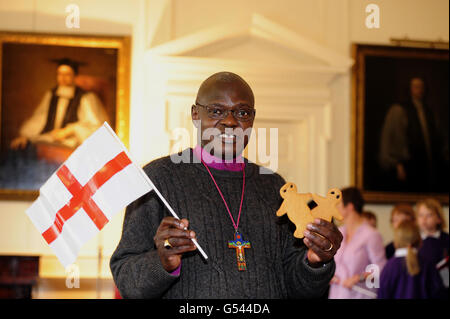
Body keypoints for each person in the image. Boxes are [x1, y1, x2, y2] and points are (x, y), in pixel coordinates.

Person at [110, 72, 343, 299]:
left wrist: (315, 261)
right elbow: (127, 281)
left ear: (252, 118)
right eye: (216, 111)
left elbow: (299, 288)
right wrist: (163, 262)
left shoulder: (273, 185)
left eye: (242, 112)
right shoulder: (158, 179)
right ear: (195, 114)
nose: (230, 122)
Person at [10, 58, 108, 150]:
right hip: (50, 139)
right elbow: (39, 118)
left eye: (67, 74)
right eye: (60, 74)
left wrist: (71, 130)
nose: (63, 78)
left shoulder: (86, 97)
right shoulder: (51, 95)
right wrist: (26, 136)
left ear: (74, 76)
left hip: (73, 143)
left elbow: (95, 127)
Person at [379, 77, 448, 193]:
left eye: (421, 87)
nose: (419, 90)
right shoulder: (399, 110)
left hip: (428, 166)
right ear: (409, 89)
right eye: (416, 87)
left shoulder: (429, 112)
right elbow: (390, 142)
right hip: (409, 165)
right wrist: (397, 164)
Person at [329, 187, 386, 299]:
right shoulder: (338, 232)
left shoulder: (371, 234)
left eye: (338, 203)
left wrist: (358, 278)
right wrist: (329, 275)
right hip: (336, 294)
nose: (334, 207)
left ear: (350, 206)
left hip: (360, 295)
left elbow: (381, 269)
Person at [378, 220, 445, 299]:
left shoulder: (390, 267)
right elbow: (439, 293)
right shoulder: (427, 264)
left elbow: (383, 294)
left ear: (395, 243)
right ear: (420, 241)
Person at [416, 198, 449, 266]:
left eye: (429, 215)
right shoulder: (414, 239)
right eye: (420, 215)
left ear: (439, 219)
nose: (424, 219)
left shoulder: (447, 239)